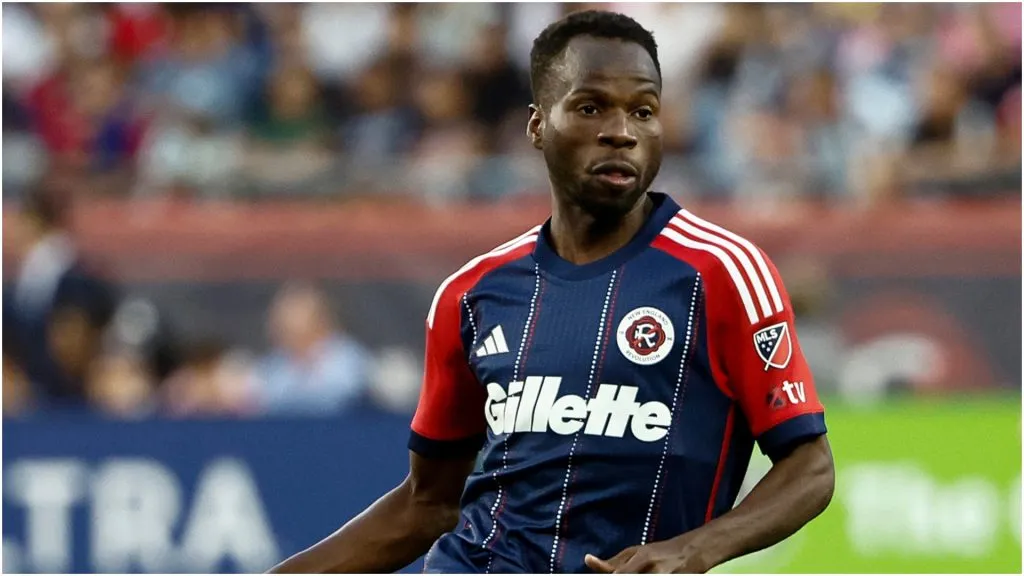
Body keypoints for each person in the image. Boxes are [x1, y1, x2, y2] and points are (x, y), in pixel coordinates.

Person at [270, 10, 834, 574]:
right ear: (538, 125)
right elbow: (427, 503)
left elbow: (810, 467)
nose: (621, 130)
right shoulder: (473, 294)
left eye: (644, 110)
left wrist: (696, 549)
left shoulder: (724, 272)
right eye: (591, 107)